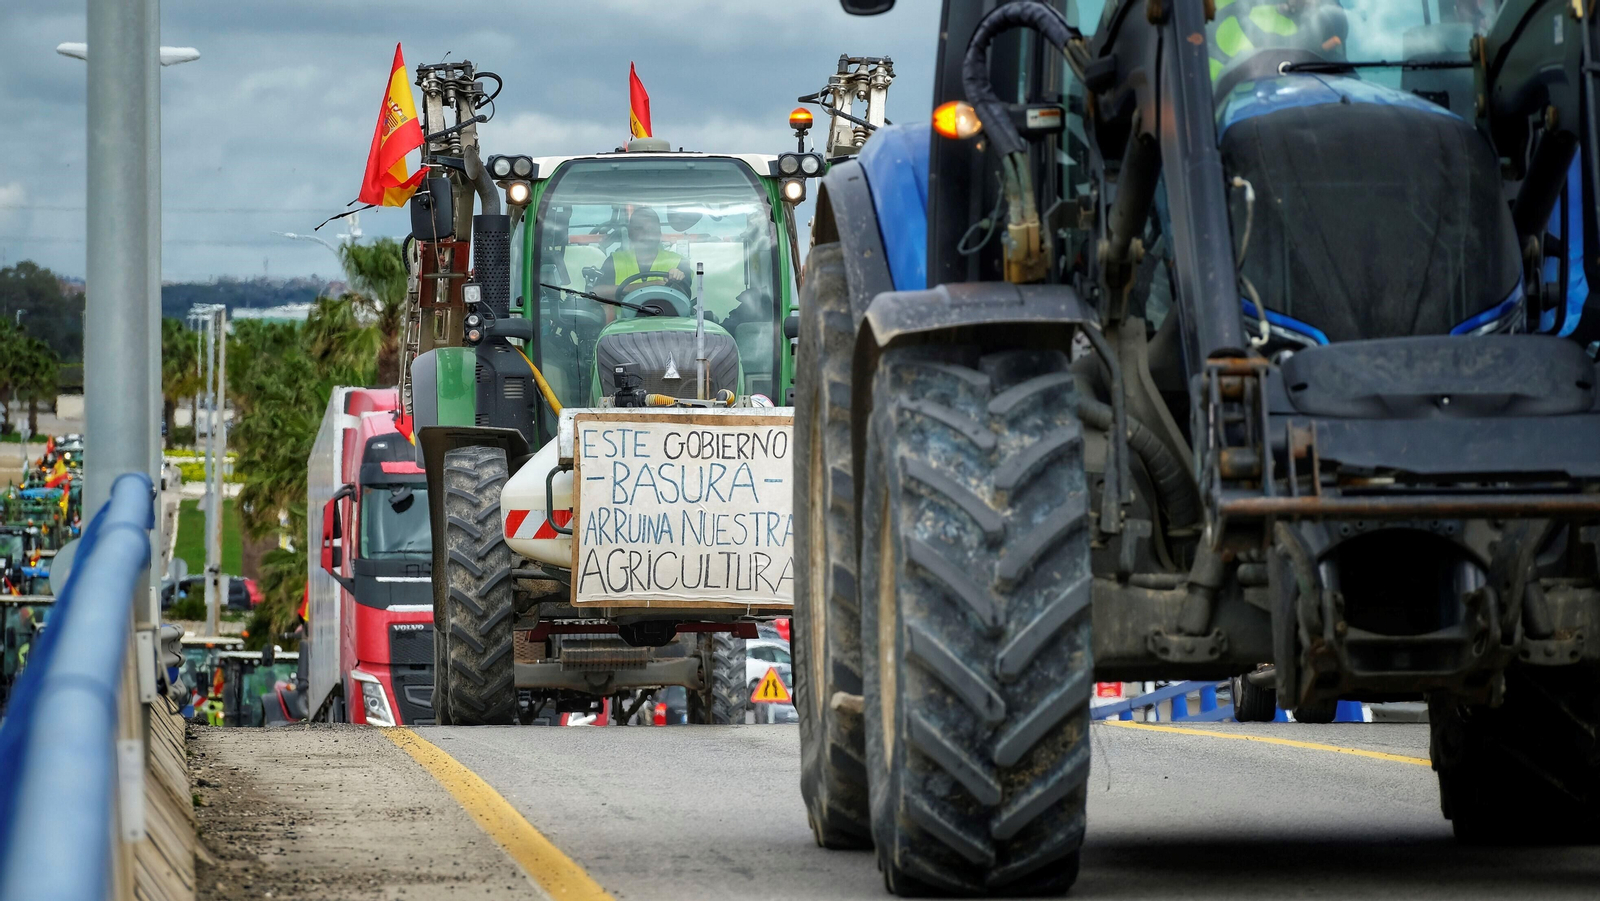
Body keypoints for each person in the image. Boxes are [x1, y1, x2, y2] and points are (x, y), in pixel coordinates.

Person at [594, 208, 691, 305]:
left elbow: (685, 297)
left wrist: (676, 281)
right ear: (630, 233)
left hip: (668, 319)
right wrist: (639, 287)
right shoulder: (614, 260)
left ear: (659, 233)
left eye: (652, 229)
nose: (646, 234)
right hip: (622, 320)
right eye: (639, 228)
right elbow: (596, 293)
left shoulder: (679, 262)